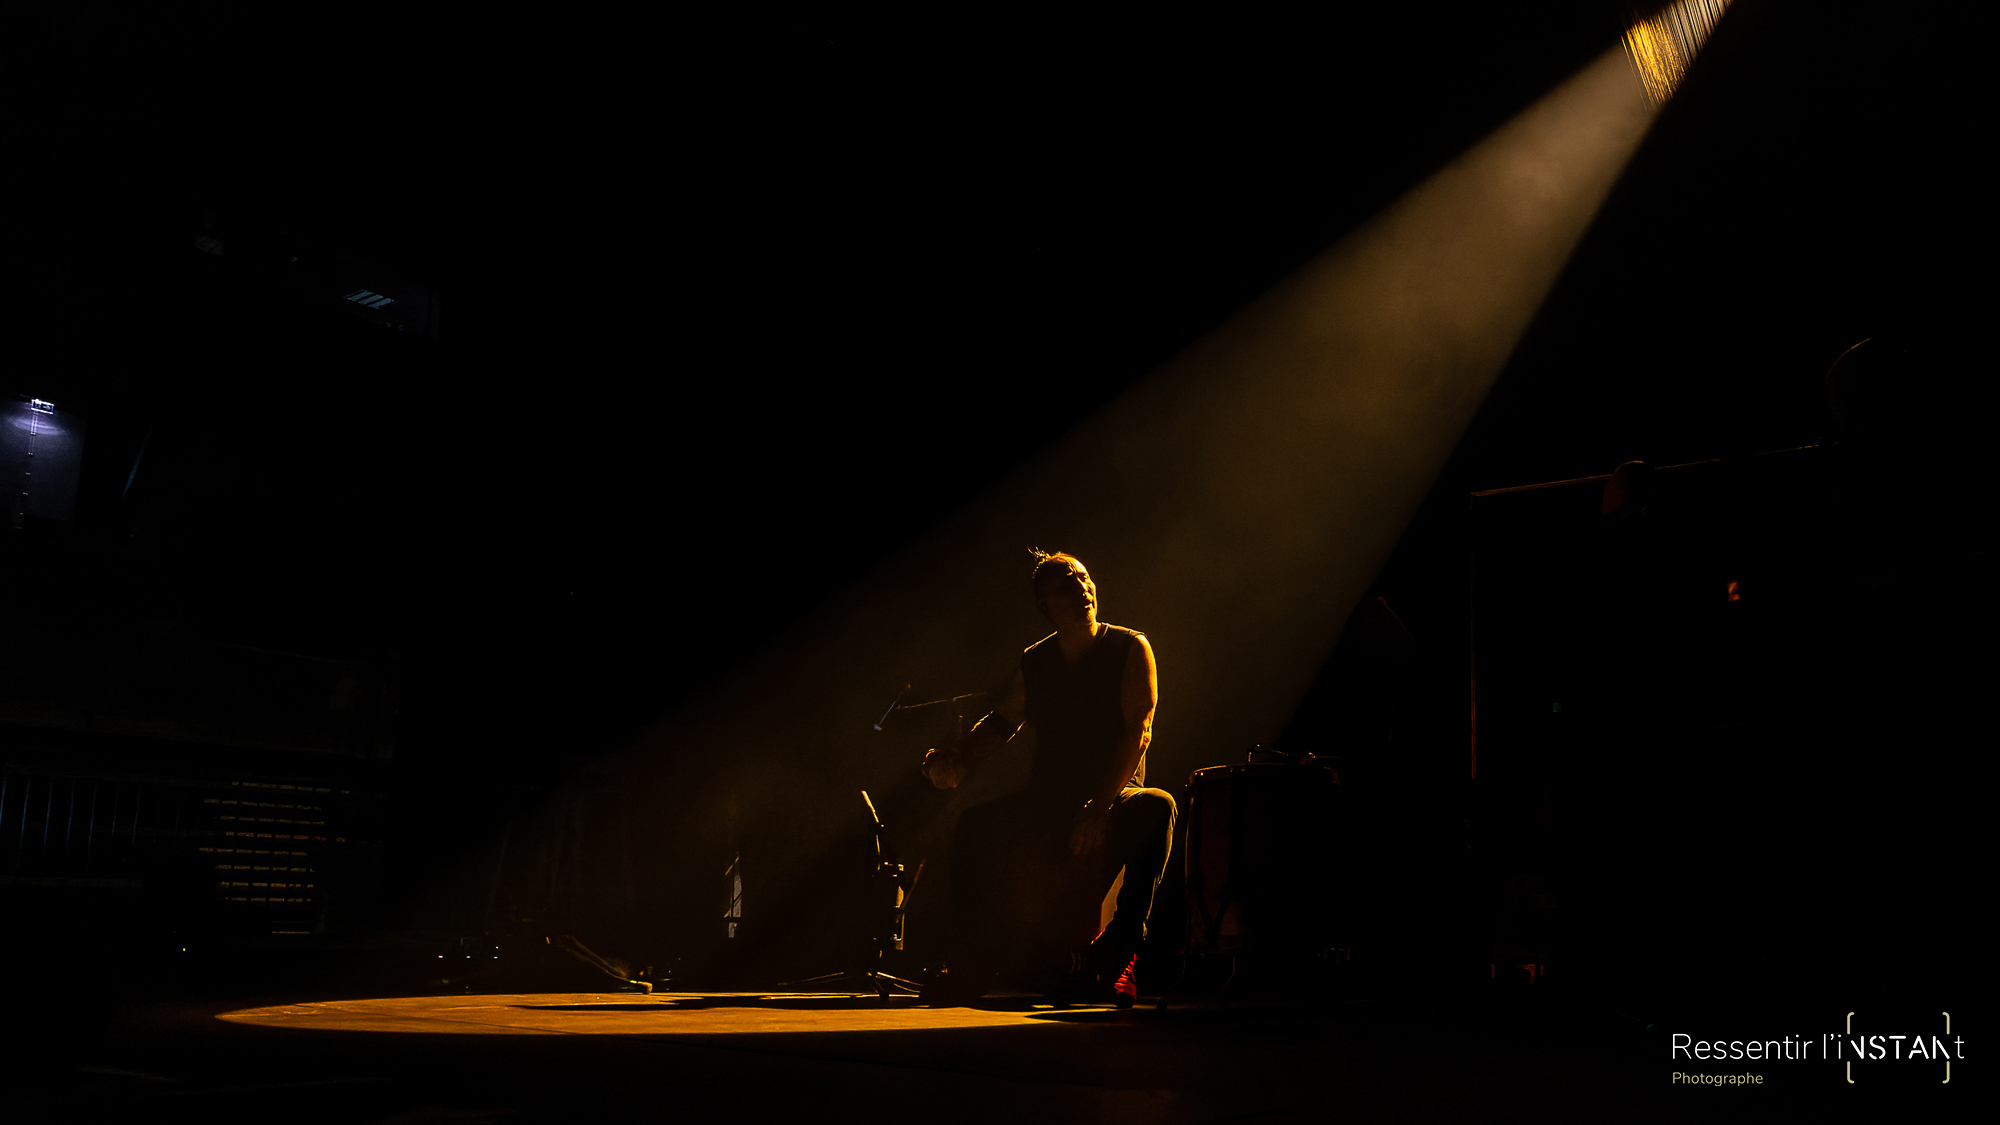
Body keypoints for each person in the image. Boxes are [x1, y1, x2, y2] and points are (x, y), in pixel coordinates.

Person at [921, 550, 1177, 1005]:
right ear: (1045, 605)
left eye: (1084, 578)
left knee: (1158, 807)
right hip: (1050, 795)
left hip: (1113, 793)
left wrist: (1099, 807)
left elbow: (1139, 732)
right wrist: (958, 756)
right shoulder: (1036, 661)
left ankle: (1121, 952)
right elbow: (1003, 721)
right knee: (975, 826)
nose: (1081, 588)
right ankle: (972, 960)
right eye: (1066, 585)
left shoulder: (1129, 648)